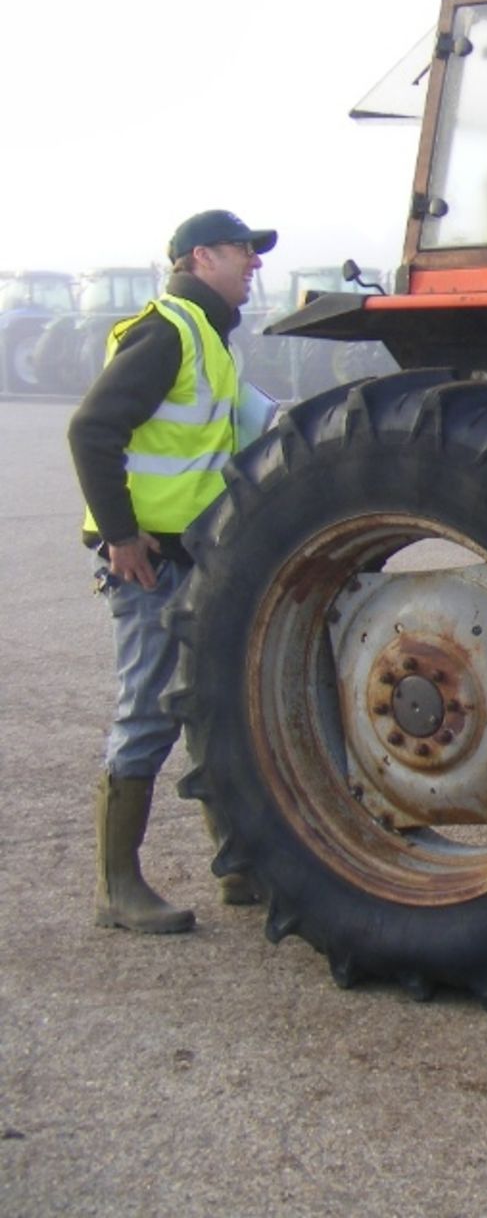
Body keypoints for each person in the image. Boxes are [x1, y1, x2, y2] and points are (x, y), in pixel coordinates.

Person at [69, 209, 274, 933]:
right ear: (199, 256)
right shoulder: (169, 333)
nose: (254, 263)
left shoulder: (212, 341)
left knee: (212, 702)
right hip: (150, 560)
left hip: (195, 554)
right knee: (149, 711)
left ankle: (239, 866)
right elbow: (91, 428)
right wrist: (121, 536)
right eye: (243, 251)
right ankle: (117, 889)